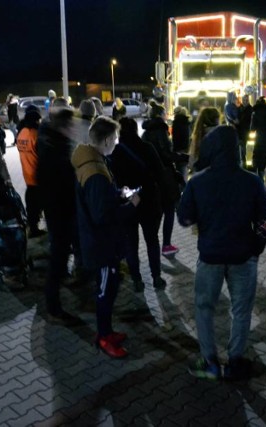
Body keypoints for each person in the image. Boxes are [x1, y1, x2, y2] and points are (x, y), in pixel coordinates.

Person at [177, 125, 266, 381]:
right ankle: (235, 361)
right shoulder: (252, 181)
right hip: (243, 256)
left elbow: (184, 219)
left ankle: (210, 362)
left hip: (210, 256)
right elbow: (264, 222)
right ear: (236, 150)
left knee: (204, 307)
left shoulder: (198, 182)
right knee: (241, 310)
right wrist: (256, 249)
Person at [72, 116, 138, 358]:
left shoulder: (93, 160)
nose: (117, 143)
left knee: (109, 288)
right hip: (101, 245)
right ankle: (103, 337)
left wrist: (117, 193)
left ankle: (107, 331)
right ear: (108, 139)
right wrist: (131, 205)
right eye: (116, 138)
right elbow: (102, 216)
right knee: (104, 291)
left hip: (101, 242)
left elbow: (99, 202)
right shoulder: (95, 171)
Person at [36, 99, 82, 325]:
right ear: (62, 124)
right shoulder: (53, 148)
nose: (74, 127)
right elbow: (57, 182)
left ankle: (63, 293)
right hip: (59, 211)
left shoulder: (55, 142)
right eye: (70, 123)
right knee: (58, 259)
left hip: (62, 210)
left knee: (65, 254)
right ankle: (53, 309)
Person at [112, 117, 167, 291]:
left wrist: (128, 195)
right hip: (149, 200)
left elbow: (115, 182)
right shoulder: (147, 148)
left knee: (131, 244)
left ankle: (137, 280)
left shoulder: (116, 152)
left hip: (129, 203)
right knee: (152, 241)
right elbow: (160, 173)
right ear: (136, 130)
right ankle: (157, 277)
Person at [141, 101, 181, 259]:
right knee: (169, 209)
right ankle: (166, 244)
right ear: (159, 116)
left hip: (151, 177)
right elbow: (165, 153)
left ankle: (153, 244)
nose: (166, 116)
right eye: (164, 113)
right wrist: (181, 157)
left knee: (157, 211)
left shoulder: (146, 132)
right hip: (164, 176)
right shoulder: (161, 130)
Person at [15, 109, 45, 237]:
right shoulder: (35, 134)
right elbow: (43, 155)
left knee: (31, 204)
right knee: (37, 204)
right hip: (37, 174)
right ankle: (34, 229)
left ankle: (32, 226)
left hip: (27, 173)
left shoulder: (21, 133)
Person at [250, 97, 266, 180]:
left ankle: (261, 180)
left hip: (259, 139)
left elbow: (252, 128)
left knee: (259, 160)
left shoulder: (255, 113)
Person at [189, 107, 221, 172]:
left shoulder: (199, 135)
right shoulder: (223, 134)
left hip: (201, 174)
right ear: (217, 119)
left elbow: (191, 162)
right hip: (220, 174)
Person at [172, 106, 191, 181]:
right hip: (185, 148)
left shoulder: (177, 122)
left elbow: (175, 138)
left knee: (180, 170)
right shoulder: (186, 122)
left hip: (178, 149)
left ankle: (182, 188)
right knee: (184, 169)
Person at [237, 94, 253, 163]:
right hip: (241, 135)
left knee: (249, 154)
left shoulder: (251, 110)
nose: (245, 101)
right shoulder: (239, 109)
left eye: (246, 100)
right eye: (244, 100)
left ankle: (248, 166)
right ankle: (244, 165)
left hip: (248, 134)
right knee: (242, 153)